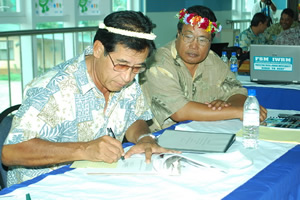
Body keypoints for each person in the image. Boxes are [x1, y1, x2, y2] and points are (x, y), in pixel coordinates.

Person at [2, 11, 178, 187]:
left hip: (94, 181)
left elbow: (133, 117)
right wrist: (84, 149)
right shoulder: (54, 88)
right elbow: (10, 153)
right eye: (121, 65)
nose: (127, 77)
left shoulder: (124, 80)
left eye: (136, 68)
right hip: (43, 188)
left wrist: (143, 138)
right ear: (98, 49)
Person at [139, 5, 267, 131]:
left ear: (211, 41)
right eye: (188, 37)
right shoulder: (158, 62)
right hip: (160, 137)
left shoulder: (212, 60)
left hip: (202, 132)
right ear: (178, 34)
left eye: (202, 40)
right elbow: (180, 112)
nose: (194, 46)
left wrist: (227, 106)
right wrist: (236, 111)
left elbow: (237, 91)